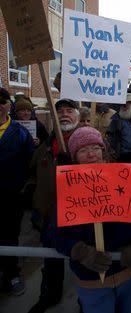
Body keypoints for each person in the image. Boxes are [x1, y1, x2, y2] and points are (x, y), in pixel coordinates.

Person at [54, 126, 131, 313]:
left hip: (129, 271)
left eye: (95, 148)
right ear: (75, 156)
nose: (91, 154)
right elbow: (52, 233)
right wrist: (80, 251)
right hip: (90, 278)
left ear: (104, 150)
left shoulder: (128, 178)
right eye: (83, 150)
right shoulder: (65, 188)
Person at [28, 98, 80, 313]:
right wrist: (35, 205)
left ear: (78, 115)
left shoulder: (91, 141)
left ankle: (87, 300)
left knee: (84, 261)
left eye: (70, 110)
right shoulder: (45, 146)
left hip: (81, 215)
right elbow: (32, 176)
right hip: (50, 216)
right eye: (60, 111)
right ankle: (49, 295)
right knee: (51, 260)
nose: (64, 114)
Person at [0, 87, 34, 296]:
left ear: (8, 105)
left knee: (9, 236)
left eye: (2, 101)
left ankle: (11, 274)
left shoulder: (20, 132)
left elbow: (31, 163)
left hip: (10, 196)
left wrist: (23, 188)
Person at [106, 93, 131, 163]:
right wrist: (113, 152)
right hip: (122, 155)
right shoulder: (115, 120)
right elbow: (110, 137)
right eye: (124, 103)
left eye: (129, 103)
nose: (125, 105)